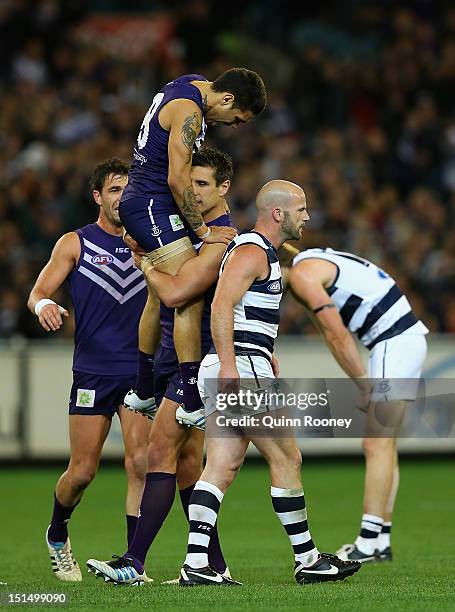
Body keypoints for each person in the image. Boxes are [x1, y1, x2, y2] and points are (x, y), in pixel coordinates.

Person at [178, 181, 361, 586]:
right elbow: (222, 303)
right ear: (278, 213)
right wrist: (233, 364)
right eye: (301, 209)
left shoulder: (260, 253)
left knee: (221, 467)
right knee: (287, 458)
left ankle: (196, 565)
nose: (306, 217)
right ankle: (308, 559)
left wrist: (261, 351)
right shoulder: (252, 251)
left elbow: (239, 310)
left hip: (241, 363)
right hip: (240, 369)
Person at [86, 146, 239, 585]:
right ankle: (214, 565)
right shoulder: (185, 232)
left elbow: (173, 294)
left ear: (224, 188)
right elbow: (157, 304)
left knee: (159, 451)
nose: (192, 191)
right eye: (190, 182)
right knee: (188, 465)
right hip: (174, 358)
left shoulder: (223, 237)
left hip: (203, 360)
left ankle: (134, 562)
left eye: (203, 184)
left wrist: (146, 263)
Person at [27, 159, 152, 582]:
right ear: (97, 196)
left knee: (140, 463)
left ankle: (134, 562)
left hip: (139, 372)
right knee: (81, 472)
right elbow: (39, 291)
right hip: (93, 373)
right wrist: (45, 305)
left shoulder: (153, 244)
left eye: (128, 190)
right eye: (114, 190)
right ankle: (58, 532)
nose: (122, 198)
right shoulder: (75, 243)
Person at [121, 68, 266, 422]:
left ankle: (143, 389)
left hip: (145, 203)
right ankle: (190, 398)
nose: (231, 125)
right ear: (227, 99)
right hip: (153, 203)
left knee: (159, 296)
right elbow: (176, 177)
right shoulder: (190, 112)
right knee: (187, 293)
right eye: (236, 119)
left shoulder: (190, 82)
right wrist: (203, 233)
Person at [287, 247, 429, 562]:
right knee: (385, 445)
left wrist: (363, 382)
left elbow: (336, 334)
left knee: (375, 444)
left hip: (393, 341)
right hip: (404, 339)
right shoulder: (316, 258)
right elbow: (331, 334)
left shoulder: (302, 275)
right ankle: (380, 540)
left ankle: (366, 543)